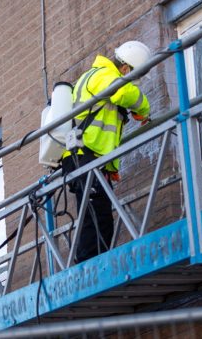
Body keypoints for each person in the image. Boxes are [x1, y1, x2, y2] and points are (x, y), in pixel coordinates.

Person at [62, 40, 151, 263]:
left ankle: (94, 261)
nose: (133, 84)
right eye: (133, 78)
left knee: (98, 213)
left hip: (89, 157)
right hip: (84, 156)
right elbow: (122, 93)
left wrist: (110, 167)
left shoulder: (100, 76)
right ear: (125, 69)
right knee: (95, 214)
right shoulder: (101, 74)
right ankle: (89, 265)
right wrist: (144, 109)